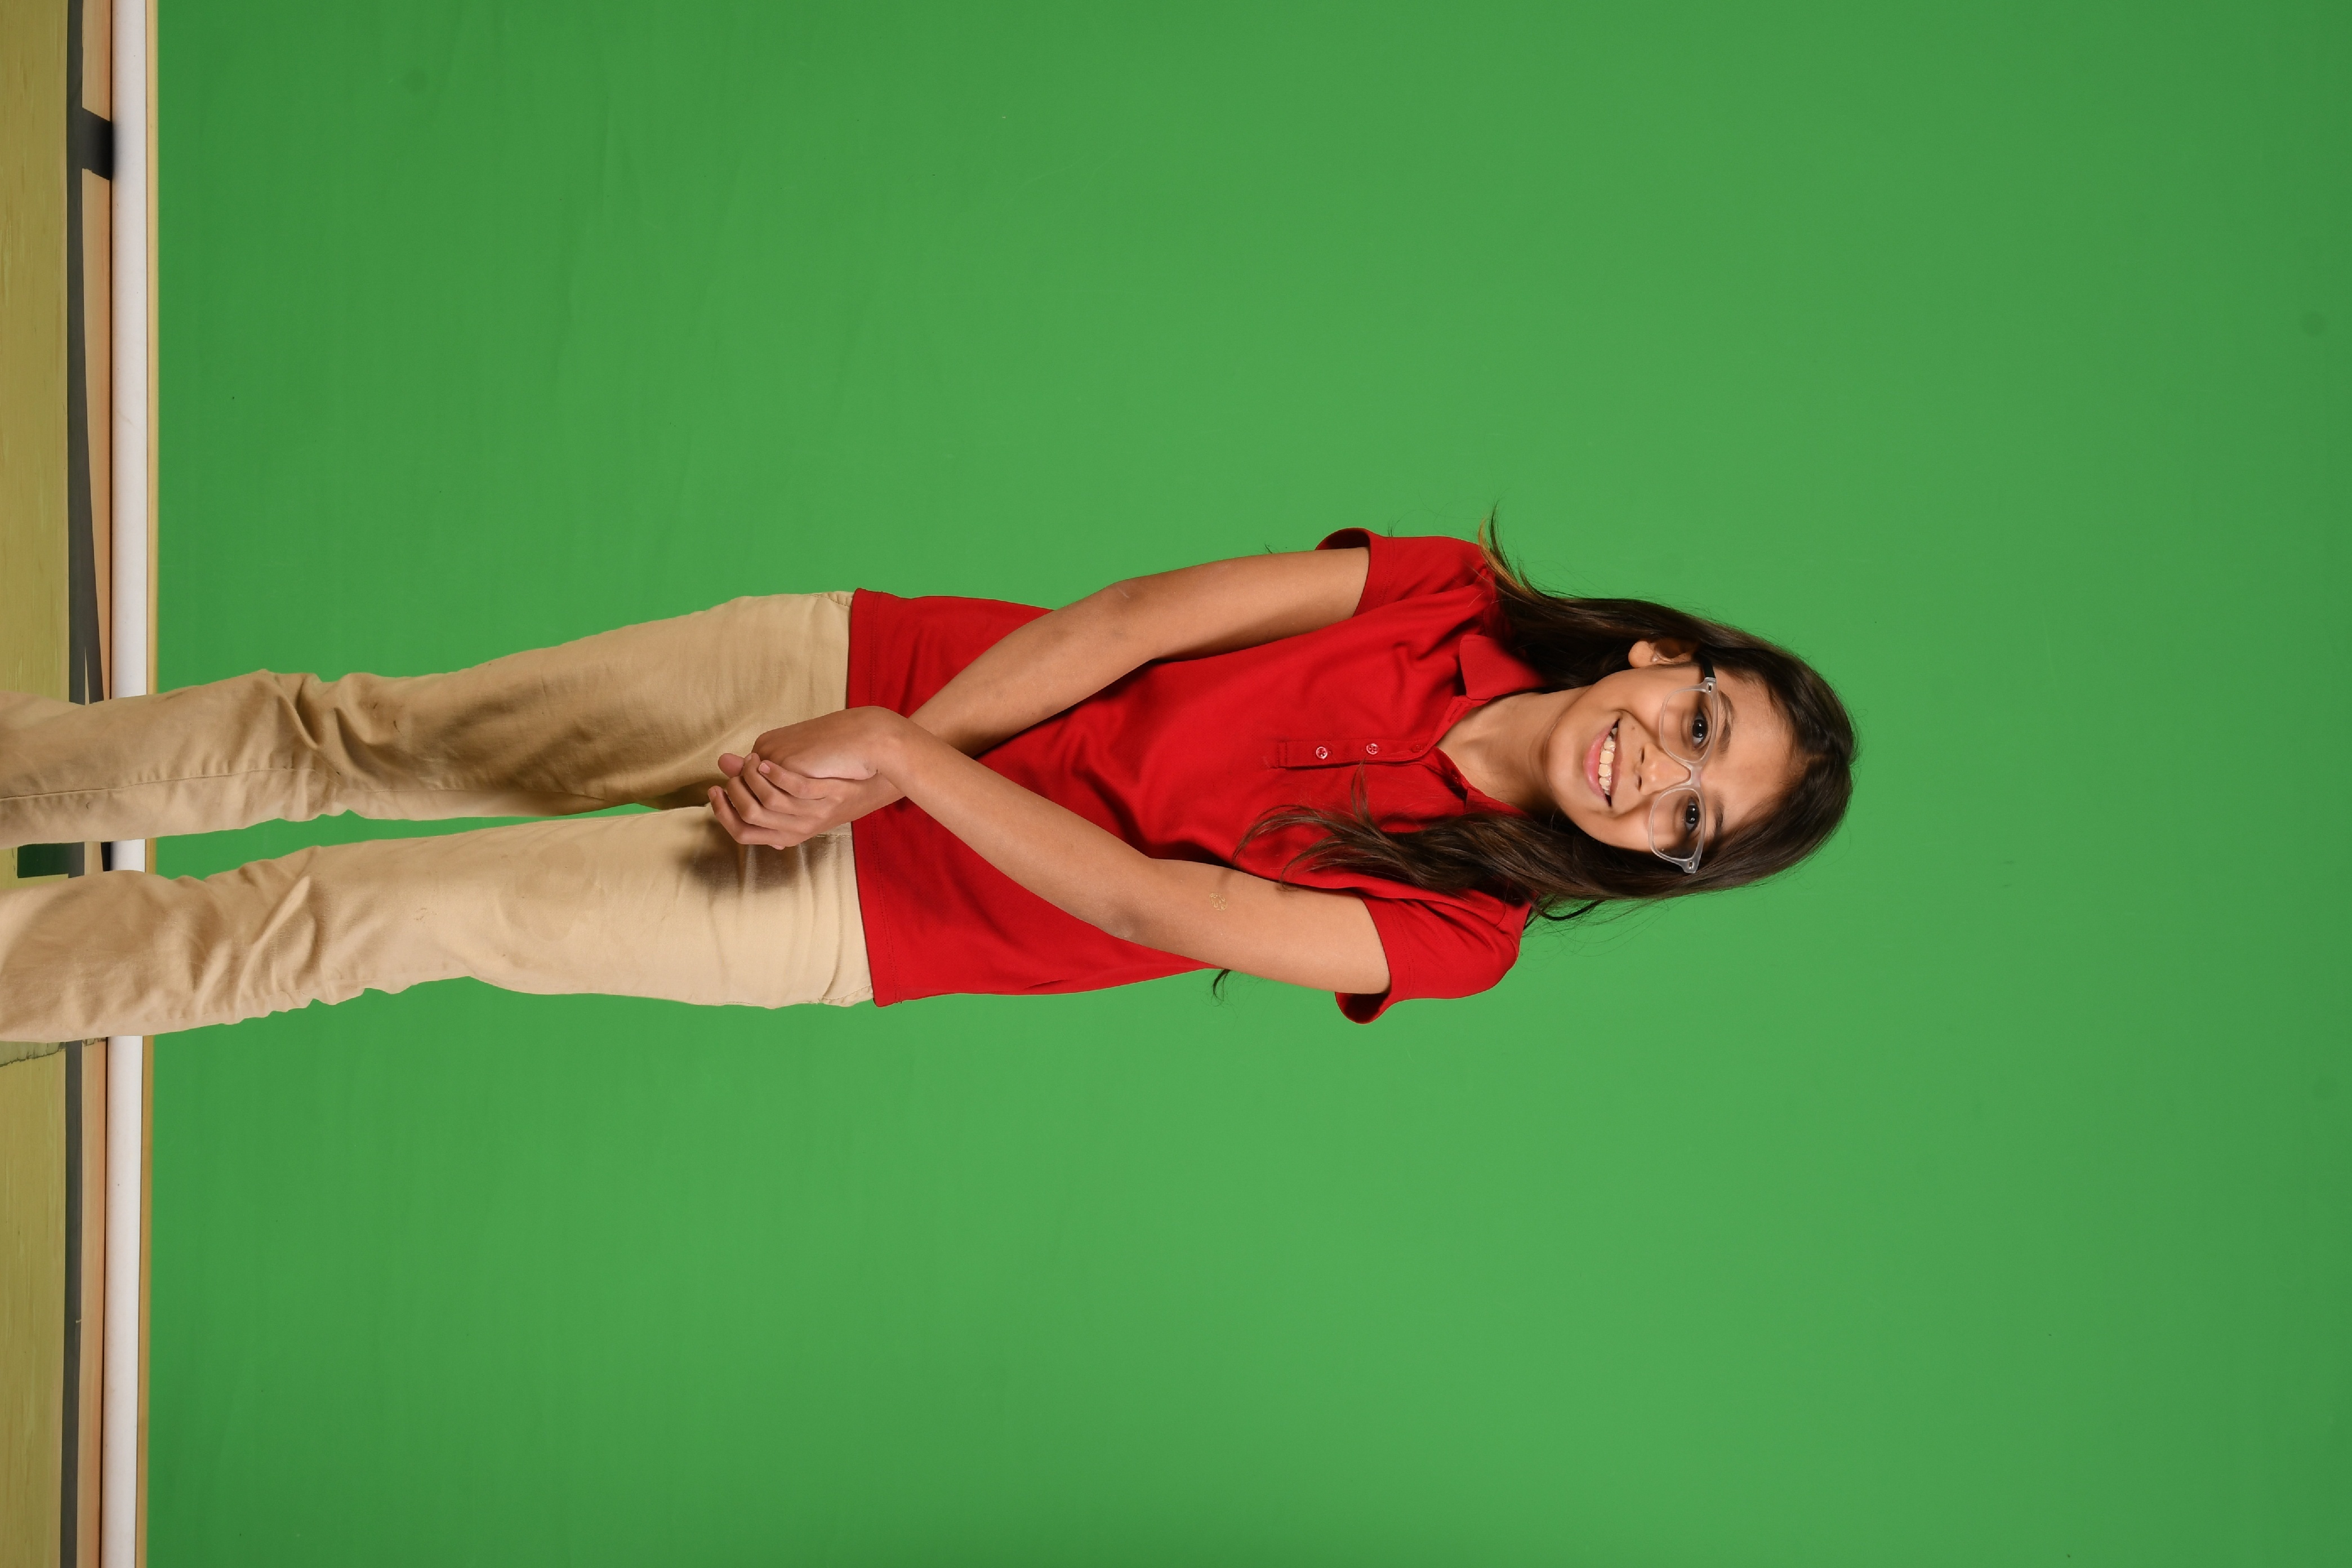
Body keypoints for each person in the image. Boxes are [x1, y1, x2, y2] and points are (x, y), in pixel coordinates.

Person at [0, 525, 1855, 1043]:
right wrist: (892, 728)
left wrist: (895, 781)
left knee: (354, 921)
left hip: (858, 907)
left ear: (1664, 861)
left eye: (1693, 822)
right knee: (359, 732)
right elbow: (1134, 620)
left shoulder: (1461, 939)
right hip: (856, 668)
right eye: (1702, 727)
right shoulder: (1445, 586)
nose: (1658, 780)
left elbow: (1150, 902)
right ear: (1659, 657)